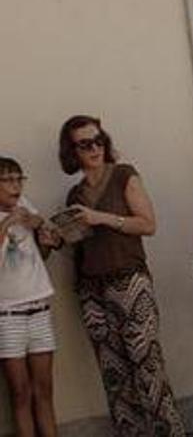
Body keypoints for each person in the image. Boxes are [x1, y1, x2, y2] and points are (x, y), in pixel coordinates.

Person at [59, 115, 185, 435]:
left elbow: (147, 224)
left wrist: (99, 217)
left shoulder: (124, 176)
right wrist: (56, 237)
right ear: (71, 151)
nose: (95, 148)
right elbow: (80, 245)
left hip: (129, 281)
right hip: (92, 288)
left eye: (99, 139)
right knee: (114, 376)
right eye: (85, 143)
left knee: (148, 368)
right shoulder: (75, 195)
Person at [0, 157, 60, 437]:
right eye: (8, 180)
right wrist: (9, 222)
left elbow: (40, 255)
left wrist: (43, 235)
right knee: (20, 392)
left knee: (44, 390)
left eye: (19, 179)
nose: (16, 186)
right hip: (7, 315)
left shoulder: (27, 204)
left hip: (39, 308)